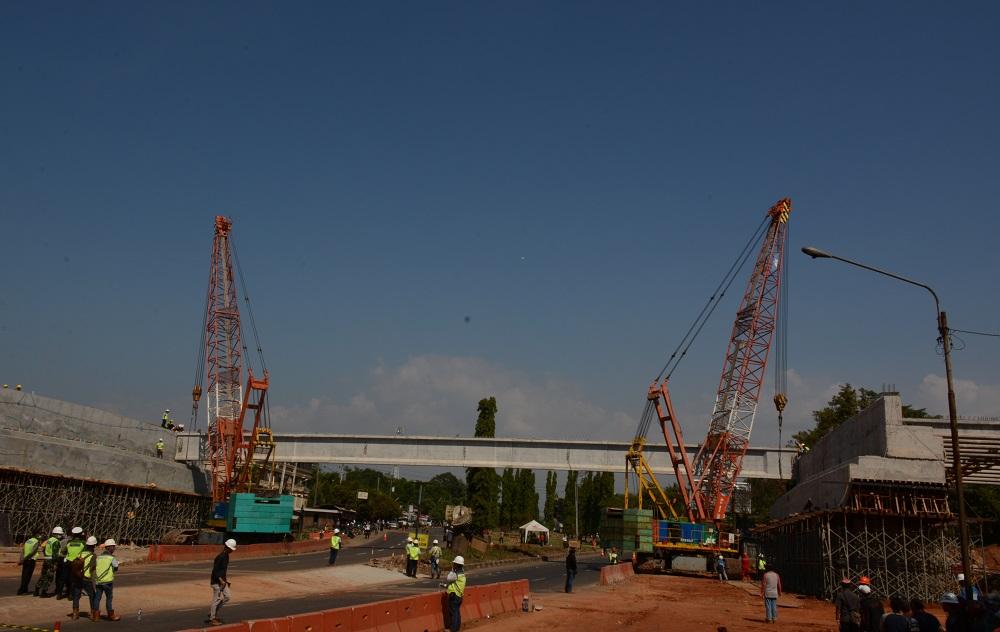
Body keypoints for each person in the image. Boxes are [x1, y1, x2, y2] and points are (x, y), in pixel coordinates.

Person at [206, 539, 236, 626]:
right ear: (227, 547)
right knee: (217, 599)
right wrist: (221, 580)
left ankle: (212, 612)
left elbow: (223, 571)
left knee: (227, 597)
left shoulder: (226, 556)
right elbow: (215, 571)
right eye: (231, 549)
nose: (232, 551)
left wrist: (225, 580)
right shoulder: (220, 557)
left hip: (222, 582)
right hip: (216, 582)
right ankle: (212, 618)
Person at [92, 539, 121, 621]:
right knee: (109, 598)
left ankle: (96, 616)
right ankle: (111, 615)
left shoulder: (99, 557)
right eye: (113, 547)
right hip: (108, 582)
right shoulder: (112, 558)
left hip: (98, 581)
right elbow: (116, 568)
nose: (114, 548)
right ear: (110, 548)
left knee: (97, 598)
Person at [69, 535, 96, 621]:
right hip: (86, 578)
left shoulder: (80, 554)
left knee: (76, 595)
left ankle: (75, 614)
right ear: (93, 546)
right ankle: (92, 614)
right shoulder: (93, 555)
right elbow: (92, 567)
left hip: (77, 577)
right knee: (92, 595)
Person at [35, 526, 63, 597]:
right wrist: (56, 562)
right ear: (56, 534)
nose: (60, 536)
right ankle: (44, 592)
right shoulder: (56, 542)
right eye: (60, 534)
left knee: (43, 575)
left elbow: (43, 549)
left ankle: (36, 590)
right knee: (49, 576)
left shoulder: (49, 540)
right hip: (52, 560)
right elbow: (55, 553)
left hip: (46, 559)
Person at [59, 526, 85, 600]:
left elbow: (63, 551)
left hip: (68, 561)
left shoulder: (69, 542)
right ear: (80, 534)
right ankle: (70, 595)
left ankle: (59, 594)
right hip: (77, 563)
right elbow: (85, 553)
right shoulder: (83, 543)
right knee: (74, 579)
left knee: (64, 578)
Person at [443, 556, 466, 632]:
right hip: (459, 595)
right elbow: (454, 583)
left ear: (456, 564)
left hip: (454, 595)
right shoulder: (462, 574)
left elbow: (448, 578)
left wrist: (452, 569)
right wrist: (446, 586)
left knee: (453, 613)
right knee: (457, 612)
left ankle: (452, 629)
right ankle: (457, 628)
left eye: (454, 563)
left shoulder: (455, 574)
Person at [17, 530, 42, 595]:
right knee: (28, 576)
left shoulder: (28, 541)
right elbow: (32, 552)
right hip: (31, 560)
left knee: (24, 575)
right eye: (39, 534)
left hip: (25, 560)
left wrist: (21, 560)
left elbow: (23, 551)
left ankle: (24, 589)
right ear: (36, 535)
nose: (40, 536)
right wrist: (25, 558)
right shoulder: (36, 542)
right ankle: (21, 590)